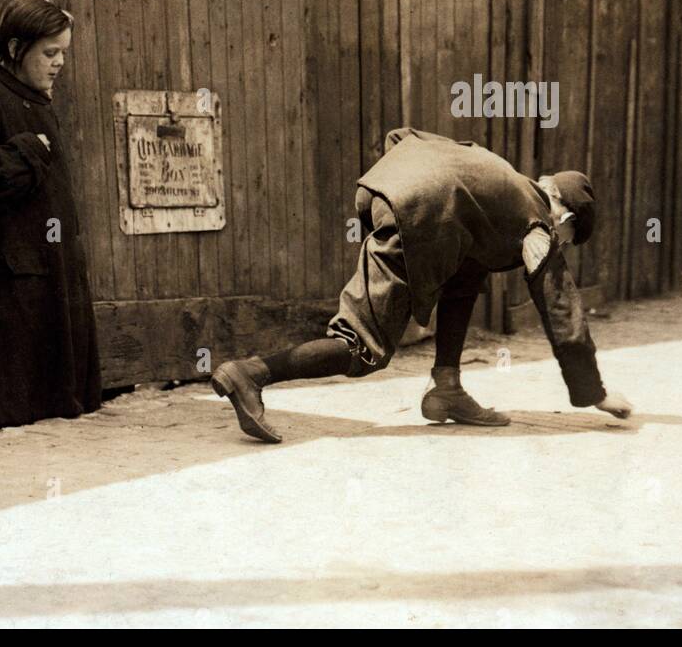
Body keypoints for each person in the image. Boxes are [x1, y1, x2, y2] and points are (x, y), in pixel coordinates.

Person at [212, 127, 632, 442]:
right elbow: (558, 303)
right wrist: (593, 392)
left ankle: (446, 387)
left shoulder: (500, 179)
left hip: (388, 187)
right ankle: (250, 375)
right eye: (568, 240)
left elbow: (403, 136)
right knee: (364, 350)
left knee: (468, 271)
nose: (560, 244)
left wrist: (402, 192)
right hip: (420, 208)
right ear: (565, 218)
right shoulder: (535, 218)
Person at [0, 0, 101, 434]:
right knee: (6, 410)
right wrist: (26, 152)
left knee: (46, 414)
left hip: (43, 275)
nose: (59, 63)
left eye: (63, 53)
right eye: (50, 53)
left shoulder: (35, 99)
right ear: (15, 48)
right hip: (3, 284)